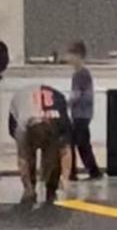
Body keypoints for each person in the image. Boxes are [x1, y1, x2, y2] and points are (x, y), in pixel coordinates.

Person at [8, 82, 72, 206]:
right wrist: (28, 187)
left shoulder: (60, 122)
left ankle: (51, 187)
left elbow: (65, 151)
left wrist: (65, 179)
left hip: (50, 114)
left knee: (53, 156)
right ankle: (31, 188)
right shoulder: (21, 128)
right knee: (28, 156)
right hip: (22, 105)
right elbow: (22, 159)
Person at [67, 40, 102, 180]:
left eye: (71, 54)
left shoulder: (80, 74)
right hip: (83, 113)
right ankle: (91, 171)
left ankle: (75, 172)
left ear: (78, 56)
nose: (69, 58)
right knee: (81, 143)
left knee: (76, 142)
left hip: (80, 113)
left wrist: (66, 104)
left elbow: (76, 94)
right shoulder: (81, 73)